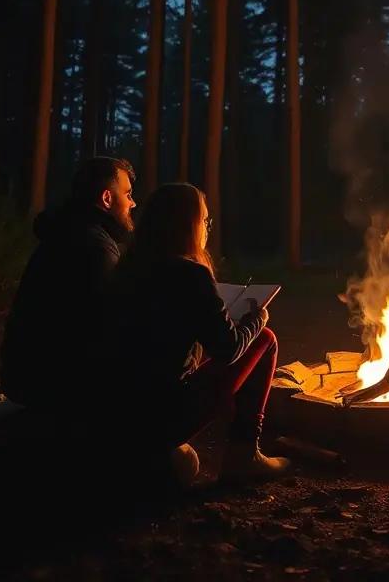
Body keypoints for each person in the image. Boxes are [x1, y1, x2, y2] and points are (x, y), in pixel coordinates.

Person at [106, 182, 290, 486]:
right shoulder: (190, 274)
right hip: (159, 415)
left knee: (184, 462)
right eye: (205, 220)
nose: (207, 228)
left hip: (117, 412)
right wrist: (256, 319)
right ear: (188, 224)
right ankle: (245, 453)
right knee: (264, 339)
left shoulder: (128, 268)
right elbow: (228, 349)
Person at [0, 156, 136, 411]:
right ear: (107, 198)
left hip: (25, 373)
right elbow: (112, 325)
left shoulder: (69, 232)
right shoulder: (93, 247)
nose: (133, 202)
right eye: (127, 194)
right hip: (54, 384)